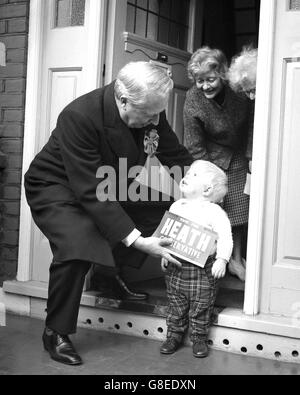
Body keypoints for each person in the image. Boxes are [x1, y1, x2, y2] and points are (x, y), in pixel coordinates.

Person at [24, 61, 193, 366]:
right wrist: (137, 240)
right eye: (148, 115)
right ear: (122, 98)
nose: (154, 120)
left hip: (107, 184)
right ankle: (56, 331)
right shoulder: (79, 115)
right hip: (57, 186)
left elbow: (173, 154)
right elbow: (89, 190)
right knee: (77, 245)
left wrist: (199, 186)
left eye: (158, 114)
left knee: (164, 207)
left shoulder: (150, 109)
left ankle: (107, 272)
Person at [183, 46, 251, 282]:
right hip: (210, 155)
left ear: (222, 74)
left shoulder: (238, 90)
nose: (205, 86)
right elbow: (193, 141)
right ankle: (211, 260)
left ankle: (236, 259)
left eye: (210, 79)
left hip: (240, 152)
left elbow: (254, 123)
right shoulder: (193, 98)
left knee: (240, 208)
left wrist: (252, 156)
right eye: (200, 81)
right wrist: (207, 174)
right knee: (212, 209)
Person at [160, 160, 233, 358]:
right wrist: (163, 253)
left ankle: (199, 337)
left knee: (202, 305)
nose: (186, 176)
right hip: (176, 266)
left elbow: (226, 237)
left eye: (194, 175)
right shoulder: (177, 206)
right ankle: (173, 335)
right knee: (176, 303)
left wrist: (222, 259)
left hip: (202, 270)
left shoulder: (215, 212)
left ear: (208, 189)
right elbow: (168, 234)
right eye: (188, 172)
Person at [228, 46, 258, 175]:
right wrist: (251, 157)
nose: (251, 97)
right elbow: (252, 127)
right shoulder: (248, 102)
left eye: (253, 90)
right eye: (247, 92)